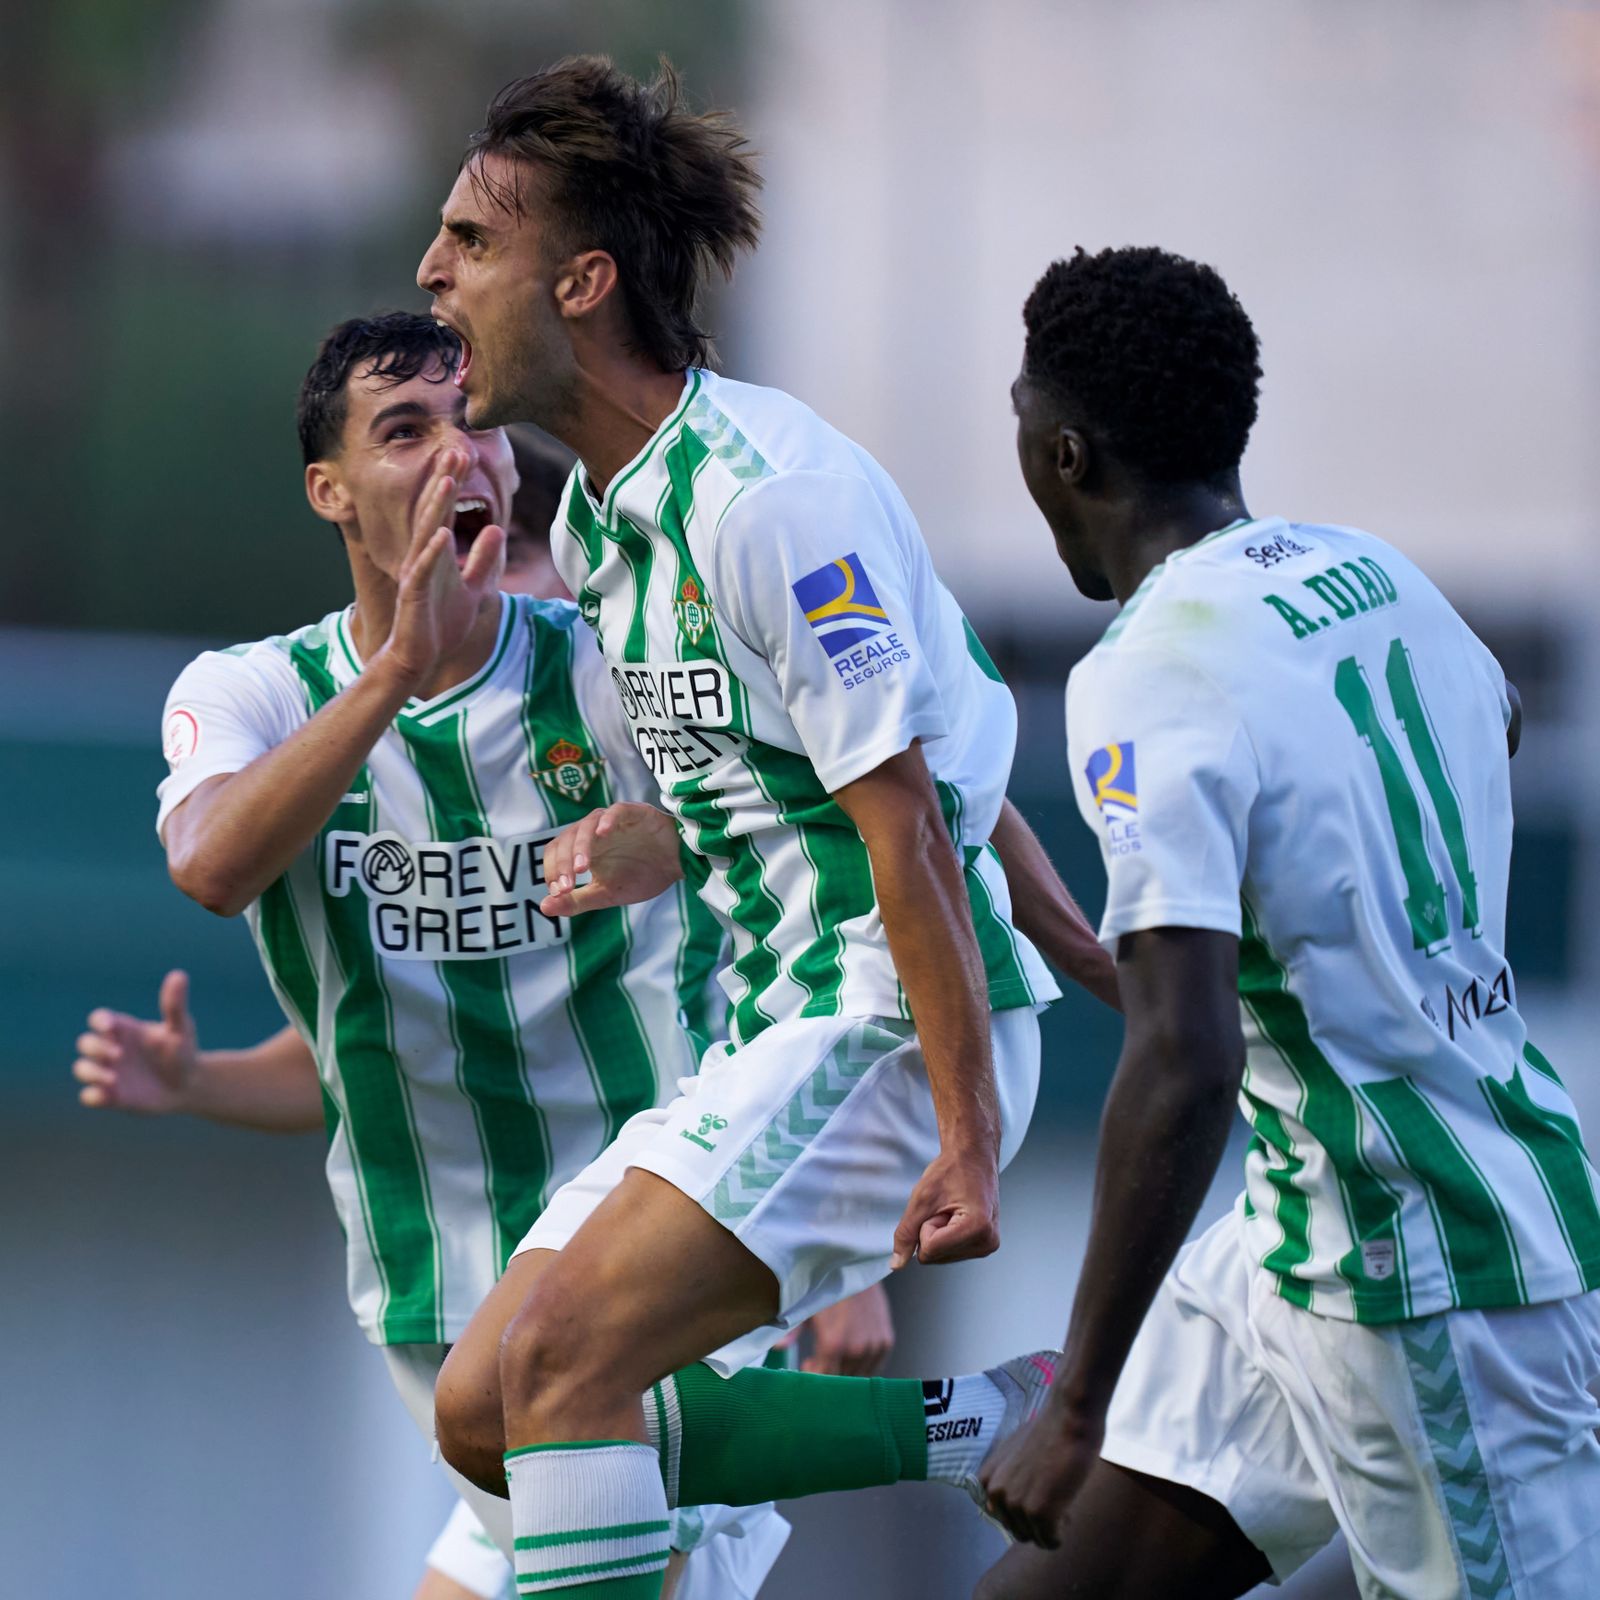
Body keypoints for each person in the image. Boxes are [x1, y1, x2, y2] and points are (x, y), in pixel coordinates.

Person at [412, 57, 1115, 1600]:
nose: (430, 270)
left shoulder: (768, 502)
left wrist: (969, 1136)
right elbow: (865, 773)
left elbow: (912, 821)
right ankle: (985, 1421)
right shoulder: (596, 521)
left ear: (583, 281)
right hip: (774, 1033)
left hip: (884, 1028)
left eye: (470, 239)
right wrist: (653, 842)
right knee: (486, 1409)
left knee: (563, 1362)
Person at [967, 246, 1600, 1599]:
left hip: (1437, 1270)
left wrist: (1075, 1403)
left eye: (1023, 423)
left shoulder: (1150, 669)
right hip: (1299, 1236)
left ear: (1066, 454)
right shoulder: (1373, 573)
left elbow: (1185, 1058)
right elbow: (1494, 715)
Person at [136, 309, 795, 1600]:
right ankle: (969, 1425)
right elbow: (211, 867)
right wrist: (397, 669)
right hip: (431, 1272)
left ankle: (967, 1427)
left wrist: (672, 838)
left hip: (651, 1229)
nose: (458, 454)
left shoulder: (609, 663)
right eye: (405, 431)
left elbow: (816, 816)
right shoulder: (253, 691)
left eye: (474, 422)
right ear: (329, 491)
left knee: (622, 1561)